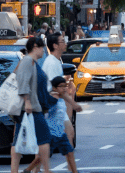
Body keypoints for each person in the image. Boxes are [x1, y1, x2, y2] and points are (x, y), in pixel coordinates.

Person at [10, 37, 51, 173]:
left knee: (18, 140)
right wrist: (27, 101)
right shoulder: (27, 61)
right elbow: (23, 81)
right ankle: (46, 170)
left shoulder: (31, 62)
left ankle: (16, 170)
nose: (44, 51)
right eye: (42, 48)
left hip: (30, 107)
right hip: (30, 107)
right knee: (44, 137)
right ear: (35, 47)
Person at [43, 33, 80, 173]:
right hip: (53, 108)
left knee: (66, 136)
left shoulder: (57, 61)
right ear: (55, 45)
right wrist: (73, 103)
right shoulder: (52, 63)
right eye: (62, 41)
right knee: (52, 143)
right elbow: (57, 88)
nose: (65, 44)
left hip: (56, 107)